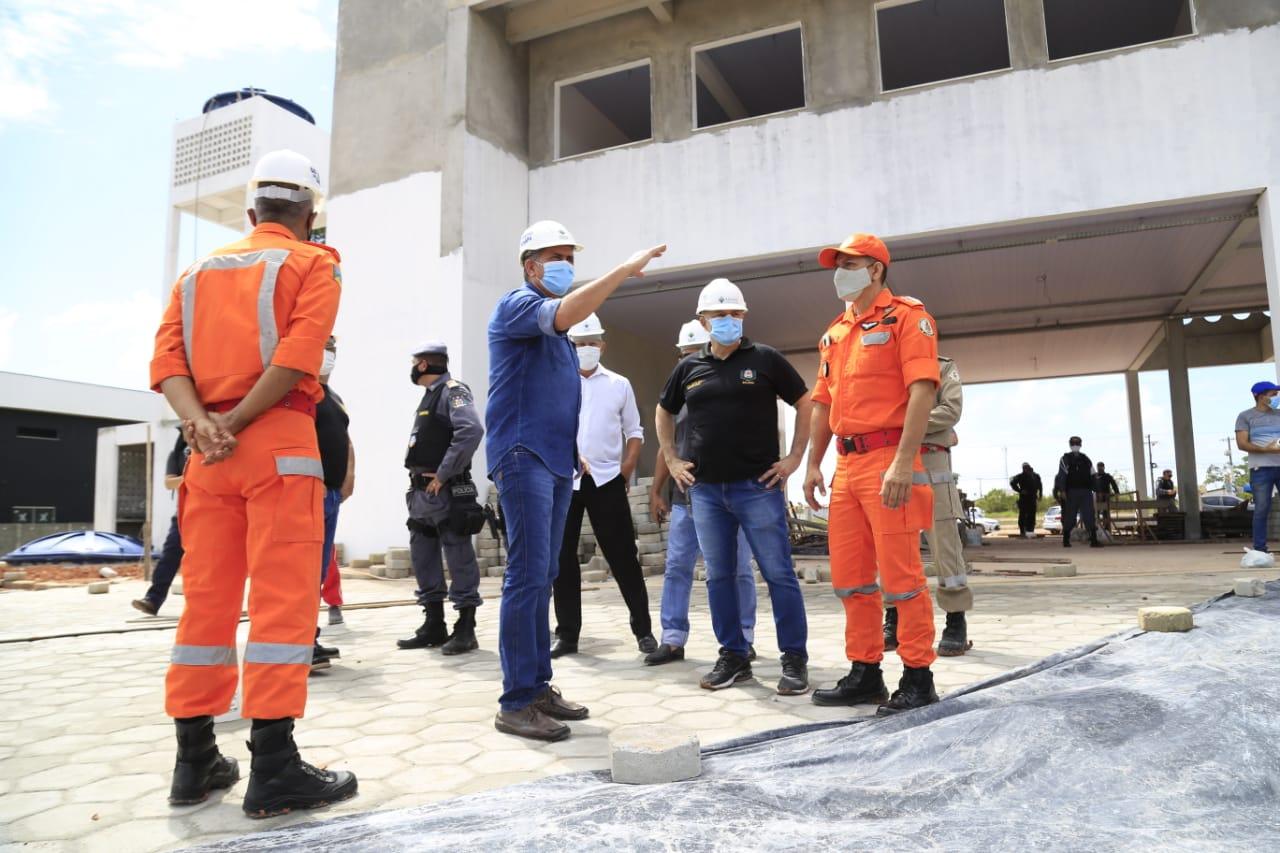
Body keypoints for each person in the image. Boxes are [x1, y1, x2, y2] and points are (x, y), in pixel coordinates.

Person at [149, 149, 356, 817]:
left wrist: (201, 425)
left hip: (208, 456)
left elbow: (166, 361)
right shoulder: (315, 264)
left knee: (205, 604)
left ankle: (195, 760)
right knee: (280, 605)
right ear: (308, 212)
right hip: (277, 447)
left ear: (250, 211)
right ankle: (274, 767)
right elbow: (298, 354)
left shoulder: (196, 272)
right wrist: (236, 418)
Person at [487, 219, 665, 741]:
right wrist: (623, 271)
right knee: (527, 575)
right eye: (556, 256)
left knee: (543, 575)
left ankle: (537, 688)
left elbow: (554, 397)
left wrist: (573, 454)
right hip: (523, 457)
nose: (566, 263)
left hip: (556, 461)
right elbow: (564, 312)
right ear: (530, 266)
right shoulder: (516, 305)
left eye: (570, 255)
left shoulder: (562, 341)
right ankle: (516, 702)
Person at [803, 233, 941, 715]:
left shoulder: (908, 318)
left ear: (876, 270)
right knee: (852, 578)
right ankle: (865, 673)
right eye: (837, 264)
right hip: (846, 465)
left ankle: (918, 677)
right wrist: (812, 463)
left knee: (901, 577)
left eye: (850, 263)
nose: (840, 271)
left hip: (889, 459)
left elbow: (922, 389)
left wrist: (904, 461)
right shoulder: (834, 333)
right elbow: (822, 404)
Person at [656, 277, 812, 696]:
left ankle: (794, 659)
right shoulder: (688, 369)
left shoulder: (765, 359)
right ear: (703, 320)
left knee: (778, 574)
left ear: (743, 316)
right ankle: (734, 656)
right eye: (720, 314)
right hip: (706, 492)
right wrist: (671, 459)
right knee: (720, 577)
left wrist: (794, 458)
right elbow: (663, 412)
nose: (728, 320)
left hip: (757, 487)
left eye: (735, 314)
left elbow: (805, 402)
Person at [647, 320, 758, 665]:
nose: (690, 359)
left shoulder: (734, 386)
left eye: (695, 352)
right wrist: (656, 490)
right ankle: (673, 638)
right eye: (684, 354)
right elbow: (667, 447)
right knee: (677, 565)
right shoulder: (676, 392)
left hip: (732, 494)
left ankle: (743, 637)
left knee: (738, 568)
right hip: (686, 495)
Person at [552, 313, 656, 657]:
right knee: (562, 559)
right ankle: (567, 635)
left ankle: (643, 631)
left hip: (607, 480)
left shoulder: (618, 384)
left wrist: (626, 469)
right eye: (580, 343)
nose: (586, 348)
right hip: (565, 482)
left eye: (592, 343)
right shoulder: (557, 382)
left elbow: (635, 432)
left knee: (624, 556)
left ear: (602, 345)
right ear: (570, 345)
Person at [397, 341, 485, 656]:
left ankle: (465, 627)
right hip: (421, 493)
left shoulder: (452, 390)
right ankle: (434, 623)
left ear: (423, 364)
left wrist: (445, 473)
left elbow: (472, 430)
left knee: (458, 555)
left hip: (445, 491)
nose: (412, 367)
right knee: (422, 553)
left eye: (414, 362)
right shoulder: (431, 396)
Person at [885, 355, 972, 658]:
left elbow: (950, 410)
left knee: (945, 545)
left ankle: (955, 621)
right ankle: (894, 619)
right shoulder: (883, 365)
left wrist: (903, 426)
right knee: (891, 546)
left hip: (932, 463)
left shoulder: (942, 366)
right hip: (889, 462)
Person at [312, 335, 353, 669]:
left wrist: (348, 476)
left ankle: (308, 639)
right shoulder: (300, 394)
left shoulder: (334, 398)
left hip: (332, 496)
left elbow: (345, 439)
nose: (329, 355)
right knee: (304, 571)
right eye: (325, 348)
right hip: (310, 494)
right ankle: (299, 642)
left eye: (334, 350)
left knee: (318, 572)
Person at [132, 430, 188, 615]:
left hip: (215, 513)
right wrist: (192, 478)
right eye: (187, 430)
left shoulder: (215, 451)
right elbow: (169, 483)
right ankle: (153, 600)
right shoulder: (177, 455)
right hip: (184, 512)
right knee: (170, 555)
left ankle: (210, 607)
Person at [1236, 381, 1280, 552]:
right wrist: (1264, 449)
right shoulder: (1245, 417)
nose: (1276, 397)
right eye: (1273, 394)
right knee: (1262, 508)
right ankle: (1260, 549)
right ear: (1260, 396)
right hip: (1260, 468)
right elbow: (1242, 443)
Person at [1055, 436, 1101, 548]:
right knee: (1070, 516)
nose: (1075, 444)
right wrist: (1062, 490)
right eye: (1073, 443)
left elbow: (1093, 475)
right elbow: (1062, 475)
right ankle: (1066, 540)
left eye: (1077, 442)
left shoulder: (1086, 459)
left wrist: (1097, 490)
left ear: (1081, 444)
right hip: (1071, 492)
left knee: (1089, 515)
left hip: (1086, 492)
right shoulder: (1065, 459)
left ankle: (1094, 540)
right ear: (1070, 444)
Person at [1009, 462, 1043, 537]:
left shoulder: (1036, 476)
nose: (1025, 469)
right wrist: (1020, 490)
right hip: (1024, 498)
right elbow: (1012, 482)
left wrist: (1040, 495)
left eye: (1026, 467)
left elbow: (1040, 485)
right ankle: (1022, 531)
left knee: (1032, 515)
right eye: (1024, 468)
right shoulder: (1020, 476)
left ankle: (1030, 531)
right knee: (1023, 515)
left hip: (1033, 498)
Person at [1092, 461, 1119, 530]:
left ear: (1103, 467)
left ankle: (1107, 529)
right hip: (1096, 497)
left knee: (1106, 514)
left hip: (1106, 497)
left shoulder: (1107, 476)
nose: (1100, 468)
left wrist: (1117, 493)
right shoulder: (1094, 476)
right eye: (1098, 467)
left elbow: (1114, 485)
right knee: (1095, 513)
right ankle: (1096, 529)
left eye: (1101, 466)